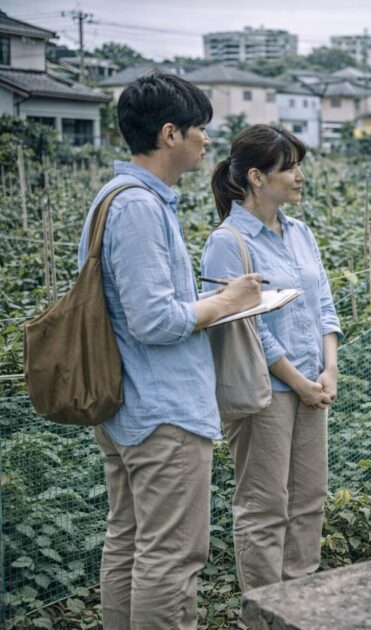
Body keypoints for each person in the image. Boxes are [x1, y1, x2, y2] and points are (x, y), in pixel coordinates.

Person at [77, 73, 263, 629]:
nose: (207, 140)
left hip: (127, 406)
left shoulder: (116, 199)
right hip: (161, 413)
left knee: (130, 543)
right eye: (199, 129)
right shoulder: (137, 207)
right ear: (169, 134)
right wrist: (227, 300)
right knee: (170, 557)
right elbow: (155, 321)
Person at [202, 124, 342, 592]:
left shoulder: (300, 232)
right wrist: (298, 381)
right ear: (257, 177)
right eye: (290, 167)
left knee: (309, 498)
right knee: (264, 507)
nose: (300, 176)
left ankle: (300, 598)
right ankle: (264, 609)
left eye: (299, 165)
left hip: (312, 383)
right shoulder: (229, 242)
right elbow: (245, 326)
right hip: (267, 393)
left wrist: (329, 367)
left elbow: (323, 302)